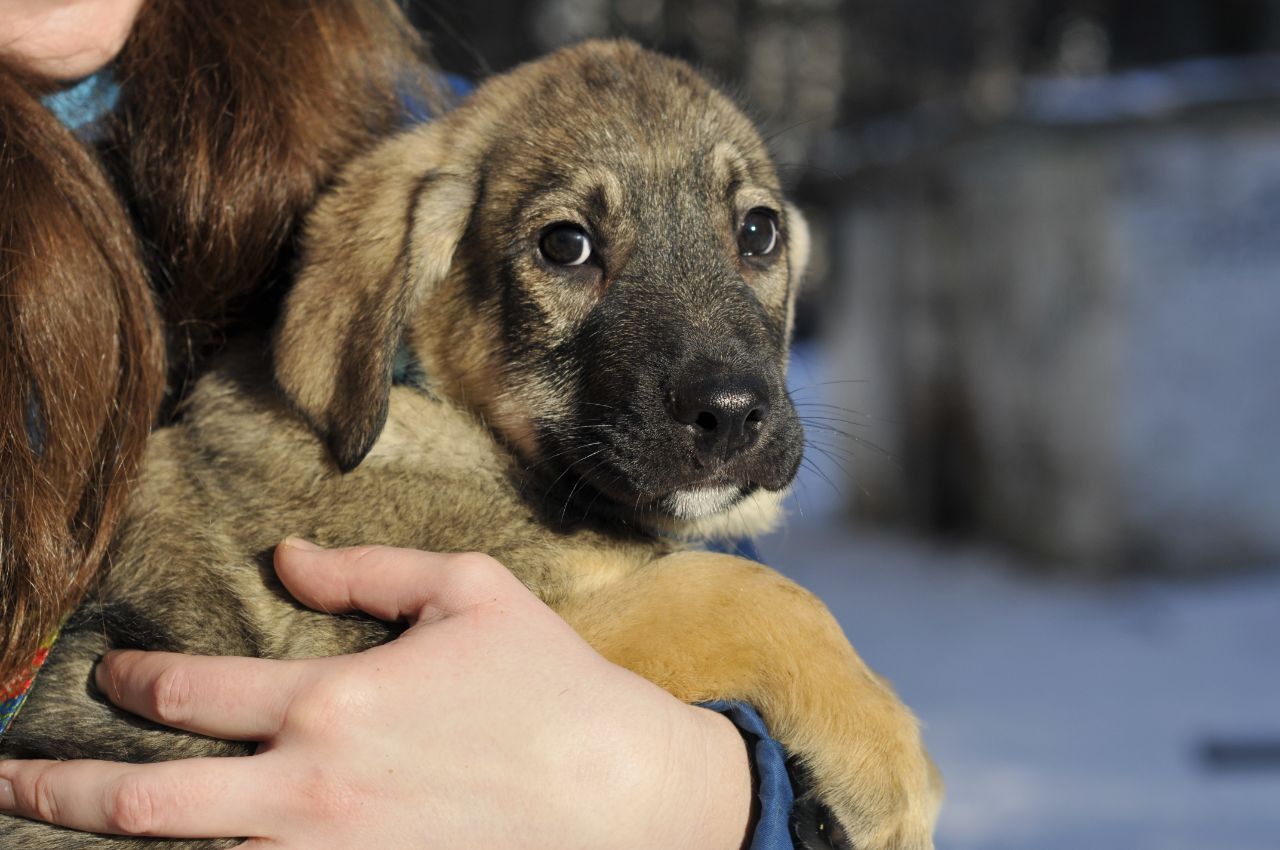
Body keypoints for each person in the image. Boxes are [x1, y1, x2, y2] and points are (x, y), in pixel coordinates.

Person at [0, 2, 798, 847]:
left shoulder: (424, 109)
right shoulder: (451, 176)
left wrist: (692, 788)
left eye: (756, 233)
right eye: (564, 245)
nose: (727, 389)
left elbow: (759, 715)